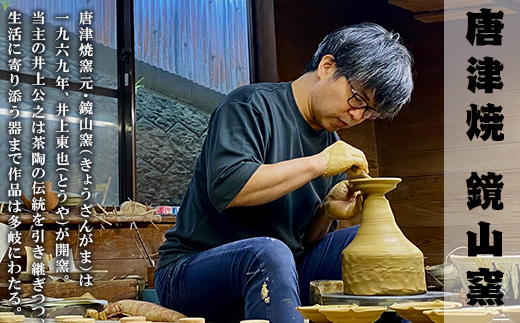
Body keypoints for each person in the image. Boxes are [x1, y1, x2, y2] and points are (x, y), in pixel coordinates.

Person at [155, 22, 414, 323]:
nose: (357, 116)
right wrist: (317, 164)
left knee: (369, 246)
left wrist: (326, 212)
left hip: (280, 273)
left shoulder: (332, 145)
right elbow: (229, 186)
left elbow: (306, 245)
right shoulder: (250, 105)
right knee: (269, 253)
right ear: (327, 66)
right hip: (192, 272)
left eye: (369, 113)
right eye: (357, 98)